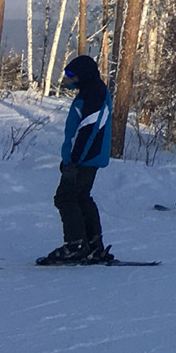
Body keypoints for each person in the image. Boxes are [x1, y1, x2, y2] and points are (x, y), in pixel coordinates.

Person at [41, 54, 112, 265]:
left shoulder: (93, 94)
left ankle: (76, 245)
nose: (68, 79)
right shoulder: (91, 91)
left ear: (83, 74)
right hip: (86, 157)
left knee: (65, 197)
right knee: (81, 196)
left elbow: (88, 129)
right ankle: (92, 244)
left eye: (71, 75)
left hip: (84, 158)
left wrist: (75, 160)